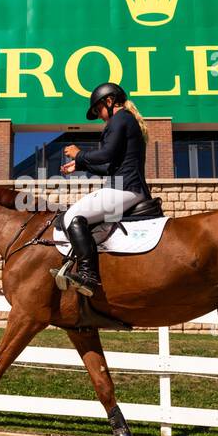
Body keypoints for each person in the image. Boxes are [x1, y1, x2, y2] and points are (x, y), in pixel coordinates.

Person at [56, 82, 152, 297]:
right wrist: (79, 165)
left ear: (109, 102)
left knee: (73, 216)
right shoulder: (126, 119)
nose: (99, 116)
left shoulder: (120, 119)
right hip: (125, 186)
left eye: (98, 110)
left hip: (125, 188)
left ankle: (88, 276)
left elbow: (106, 154)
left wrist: (79, 154)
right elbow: (109, 166)